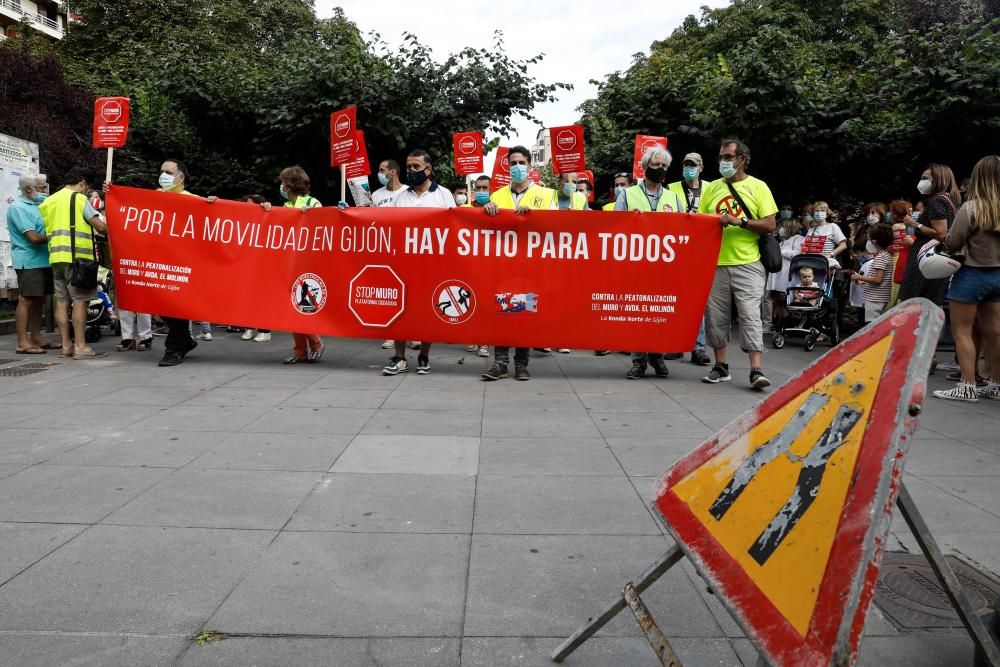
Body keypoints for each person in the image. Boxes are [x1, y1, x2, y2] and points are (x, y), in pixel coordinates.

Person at [698, 139, 778, 389]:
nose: (724, 162)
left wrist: (739, 221)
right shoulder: (711, 188)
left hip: (748, 263)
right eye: (722, 157)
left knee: (750, 315)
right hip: (716, 264)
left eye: (729, 157)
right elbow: (701, 221)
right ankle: (720, 366)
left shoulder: (758, 187)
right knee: (716, 317)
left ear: (742, 158)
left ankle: (756, 370)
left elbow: (769, 224)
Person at [480, 145, 557, 381]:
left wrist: (534, 216)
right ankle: (500, 364)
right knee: (502, 311)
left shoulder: (547, 195)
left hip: (532, 265)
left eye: (521, 163)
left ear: (530, 167)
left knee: (525, 313)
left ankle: (521, 364)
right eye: (512, 163)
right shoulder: (497, 195)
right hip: (503, 264)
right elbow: (487, 229)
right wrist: (486, 210)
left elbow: (555, 226)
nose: (517, 167)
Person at [382, 149, 455, 376]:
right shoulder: (401, 197)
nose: (411, 171)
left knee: (428, 311)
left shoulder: (443, 195)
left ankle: (424, 356)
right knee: (400, 310)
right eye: (409, 166)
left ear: (428, 169)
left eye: (416, 167)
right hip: (404, 265)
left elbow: (456, 227)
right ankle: (400, 357)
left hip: (433, 266)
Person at [933, 155, 1000, 403]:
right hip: (997, 275)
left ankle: (967, 385)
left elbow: (952, 241)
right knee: (995, 333)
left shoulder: (971, 208)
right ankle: (995, 383)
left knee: (963, 331)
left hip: (971, 274)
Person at [615, 146, 685, 379]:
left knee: (659, 313)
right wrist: (628, 221)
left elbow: (683, 231)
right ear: (644, 167)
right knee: (637, 313)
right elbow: (614, 227)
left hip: (663, 267)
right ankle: (638, 361)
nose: (660, 169)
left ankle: (657, 355)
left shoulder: (674, 198)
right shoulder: (627, 194)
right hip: (635, 265)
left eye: (664, 166)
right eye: (656, 165)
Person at [39, 171, 108, 359]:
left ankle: (66, 346)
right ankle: (81, 347)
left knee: (61, 301)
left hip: (56, 258)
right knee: (80, 301)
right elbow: (100, 227)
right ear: (82, 183)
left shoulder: (48, 201)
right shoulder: (78, 199)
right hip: (79, 259)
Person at [668, 151, 713, 365]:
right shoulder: (672, 188)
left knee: (698, 302)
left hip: (702, 251)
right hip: (676, 251)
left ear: (701, 167)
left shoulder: (712, 188)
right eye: (686, 164)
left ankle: (699, 348)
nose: (689, 168)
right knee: (675, 300)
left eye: (693, 165)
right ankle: (676, 345)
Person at [6, 175, 58, 354]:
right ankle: (22, 342)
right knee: (27, 300)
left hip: (44, 259)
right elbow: (33, 237)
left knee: (39, 300)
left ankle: (36, 338)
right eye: (42, 188)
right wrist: (58, 235)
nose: (46, 191)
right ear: (29, 190)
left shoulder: (37, 204)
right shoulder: (18, 207)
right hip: (28, 261)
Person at [278, 166, 325, 364]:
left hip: (308, 263)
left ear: (290, 183)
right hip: (289, 262)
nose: (281, 186)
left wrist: (312, 216)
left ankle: (315, 343)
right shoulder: (286, 205)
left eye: (283, 182)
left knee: (304, 305)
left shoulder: (313, 203)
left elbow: (326, 228)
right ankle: (300, 350)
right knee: (291, 307)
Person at [898, 163, 962, 305]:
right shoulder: (951, 201)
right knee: (930, 303)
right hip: (937, 259)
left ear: (938, 179)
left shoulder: (937, 201)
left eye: (925, 178)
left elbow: (940, 233)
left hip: (924, 260)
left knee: (910, 303)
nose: (921, 182)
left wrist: (915, 224)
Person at [237, 194, 273, 343]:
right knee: (248, 297)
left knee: (262, 299)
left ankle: (265, 330)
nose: (247, 208)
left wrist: (268, 208)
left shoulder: (267, 217)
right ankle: (250, 327)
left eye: (251, 205)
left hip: (264, 267)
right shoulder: (245, 220)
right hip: (248, 265)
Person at [850, 224, 894, 322]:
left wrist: (858, 277)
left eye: (868, 240)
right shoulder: (886, 255)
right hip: (879, 296)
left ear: (873, 242)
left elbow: (878, 279)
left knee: (872, 325)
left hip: (875, 298)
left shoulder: (880, 257)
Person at [766, 216, 805, 326]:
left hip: (787, 272)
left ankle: (788, 320)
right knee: (775, 297)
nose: (780, 229)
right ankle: (782, 320)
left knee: (784, 297)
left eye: (783, 227)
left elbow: (799, 254)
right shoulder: (782, 242)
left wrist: (781, 252)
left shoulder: (800, 239)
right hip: (777, 273)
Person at [803, 201, 847, 267]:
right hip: (811, 264)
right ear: (813, 213)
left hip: (826, 264)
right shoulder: (811, 229)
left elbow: (843, 245)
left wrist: (830, 255)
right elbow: (805, 248)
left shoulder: (833, 226)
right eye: (817, 211)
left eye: (822, 210)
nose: (819, 213)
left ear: (827, 213)